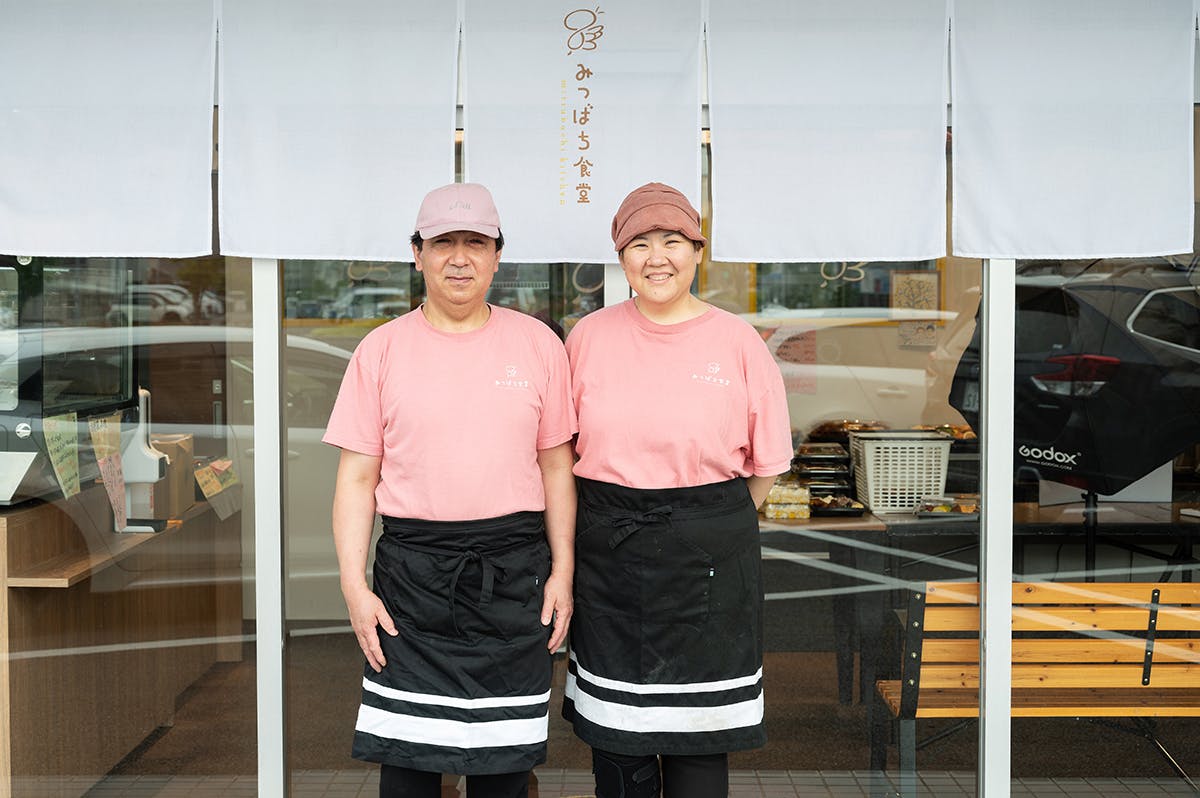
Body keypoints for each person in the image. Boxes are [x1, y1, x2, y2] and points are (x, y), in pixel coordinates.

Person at [323, 182, 577, 798]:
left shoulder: (538, 344)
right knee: (408, 768)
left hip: (513, 573)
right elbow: (356, 479)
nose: (459, 258)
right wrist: (354, 586)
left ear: (497, 255)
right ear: (417, 254)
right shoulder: (381, 350)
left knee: (504, 771)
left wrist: (563, 571)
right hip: (412, 579)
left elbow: (557, 467)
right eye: (443, 243)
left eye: (475, 243)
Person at [561, 182, 793, 798]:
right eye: (640, 243)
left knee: (700, 742)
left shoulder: (737, 341)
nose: (656, 257)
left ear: (697, 251)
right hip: (609, 553)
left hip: (710, 558)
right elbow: (559, 454)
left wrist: (706, 524)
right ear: (621, 256)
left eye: (672, 241)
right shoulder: (588, 338)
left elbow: (768, 462)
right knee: (618, 744)